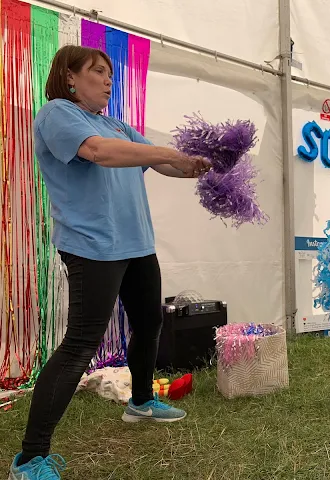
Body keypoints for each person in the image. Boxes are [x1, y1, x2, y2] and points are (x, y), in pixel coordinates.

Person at [9, 45, 211, 480]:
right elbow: (100, 152)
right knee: (80, 345)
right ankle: (30, 459)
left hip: (136, 243)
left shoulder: (117, 124)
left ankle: (140, 404)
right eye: (98, 72)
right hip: (92, 245)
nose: (108, 80)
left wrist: (192, 165)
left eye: (110, 74)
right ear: (69, 77)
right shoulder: (58, 114)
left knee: (150, 324)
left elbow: (160, 164)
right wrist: (167, 153)